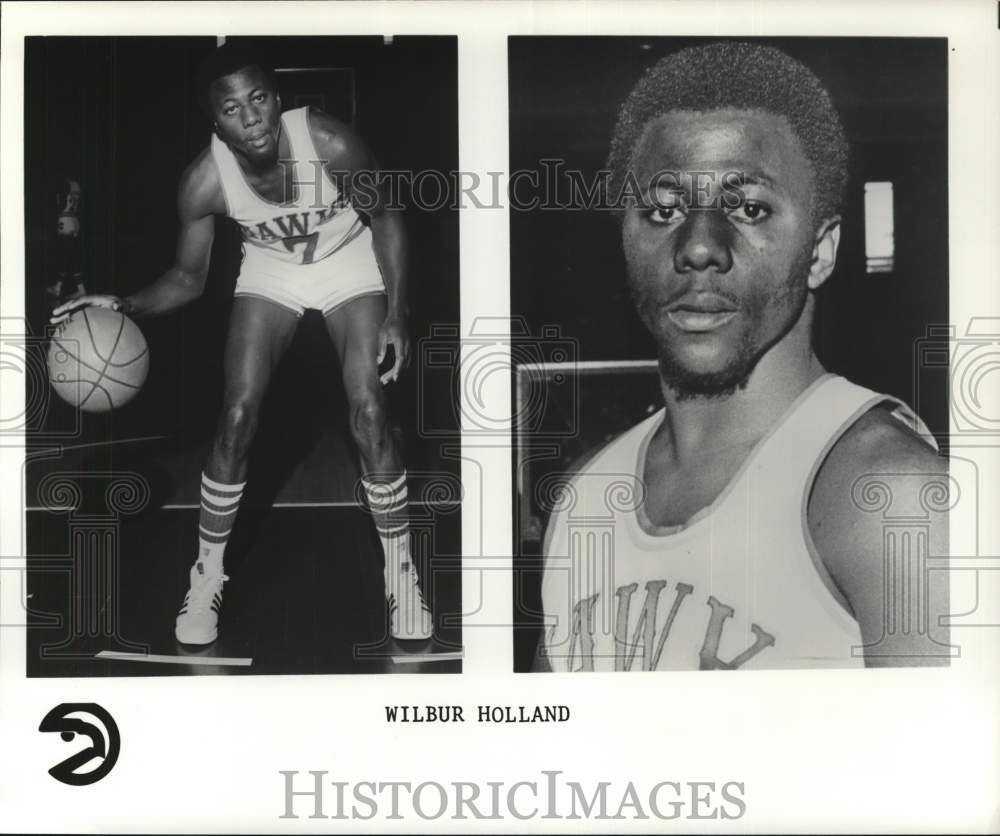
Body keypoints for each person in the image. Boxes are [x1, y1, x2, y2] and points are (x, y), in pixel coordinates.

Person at [538, 42, 950, 671]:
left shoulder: (891, 497)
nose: (700, 246)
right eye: (663, 208)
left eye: (749, 208)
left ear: (820, 251)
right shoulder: (581, 501)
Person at [52, 43, 433, 645]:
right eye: (232, 108)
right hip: (272, 271)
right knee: (235, 416)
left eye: (258, 99)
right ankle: (206, 575)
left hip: (349, 262)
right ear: (216, 121)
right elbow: (188, 278)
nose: (250, 117)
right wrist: (123, 303)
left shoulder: (330, 144)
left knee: (368, 409)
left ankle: (400, 570)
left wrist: (397, 316)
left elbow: (386, 217)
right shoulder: (205, 182)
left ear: (277, 101)